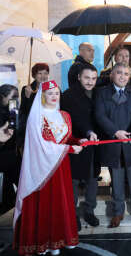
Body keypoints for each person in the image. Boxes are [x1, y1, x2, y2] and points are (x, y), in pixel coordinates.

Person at [13, 80, 84, 256]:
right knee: (44, 203)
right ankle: (42, 243)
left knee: (60, 203)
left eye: (56, 93)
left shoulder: (64, 115)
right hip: (41, 169)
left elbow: (66, 138)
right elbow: (39, 146)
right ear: (42, 96)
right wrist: (69, 148)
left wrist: (77, 141)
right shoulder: (36, 117)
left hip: (61, 167)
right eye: (50, 93)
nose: (54, 96)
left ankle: (58, 242)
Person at [94, 63, 131, 228]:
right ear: (112, 75)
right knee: (116, 181)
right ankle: (118, 212)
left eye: (126, 74)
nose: (123, 76)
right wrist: (115, 131)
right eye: (119, 73)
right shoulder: (102, 93)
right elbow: (100, 116)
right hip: (113, 143)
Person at [60, 65, 100, 231]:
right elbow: (74, 118)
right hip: (76, 143)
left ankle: (89, 210)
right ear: (78, 77)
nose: (90, 82)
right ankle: (72, 214)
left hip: (95, 144)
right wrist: (88, 131)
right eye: (86, 78)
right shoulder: (68, 95)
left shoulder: (99, 93)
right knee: (73, 182)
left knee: (93, 179)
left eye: (93, 78)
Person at [0, 84, 20, 215]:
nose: (16, 100)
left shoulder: (13, 112)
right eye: (13, 97)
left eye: (18, 97)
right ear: (2, 97)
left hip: (13, 157)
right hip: (4, 160)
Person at [19, 63, 50, 146]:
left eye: (46, 73)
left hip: (48, 127)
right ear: (34, 75)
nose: (43, 76)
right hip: (32, 128)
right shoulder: (27, 89)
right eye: (40, 73)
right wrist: (28, 97)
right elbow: (24, 110)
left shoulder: (53, 89)